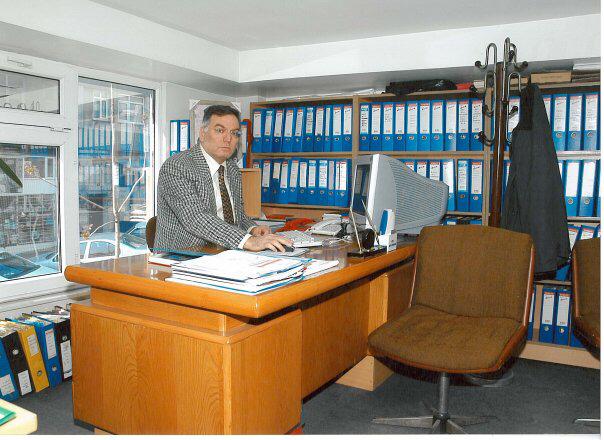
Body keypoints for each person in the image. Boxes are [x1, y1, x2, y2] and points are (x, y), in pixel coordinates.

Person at [154, 105, 292, 252]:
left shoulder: (232, 169)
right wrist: (248, 241)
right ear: (202, 134)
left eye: (234, 133)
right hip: (181, 257)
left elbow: (237, 216)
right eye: (220, 130)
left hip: (225, 252)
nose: (228, 139)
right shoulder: (177, 167)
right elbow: (195, 218)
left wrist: (252, 229)